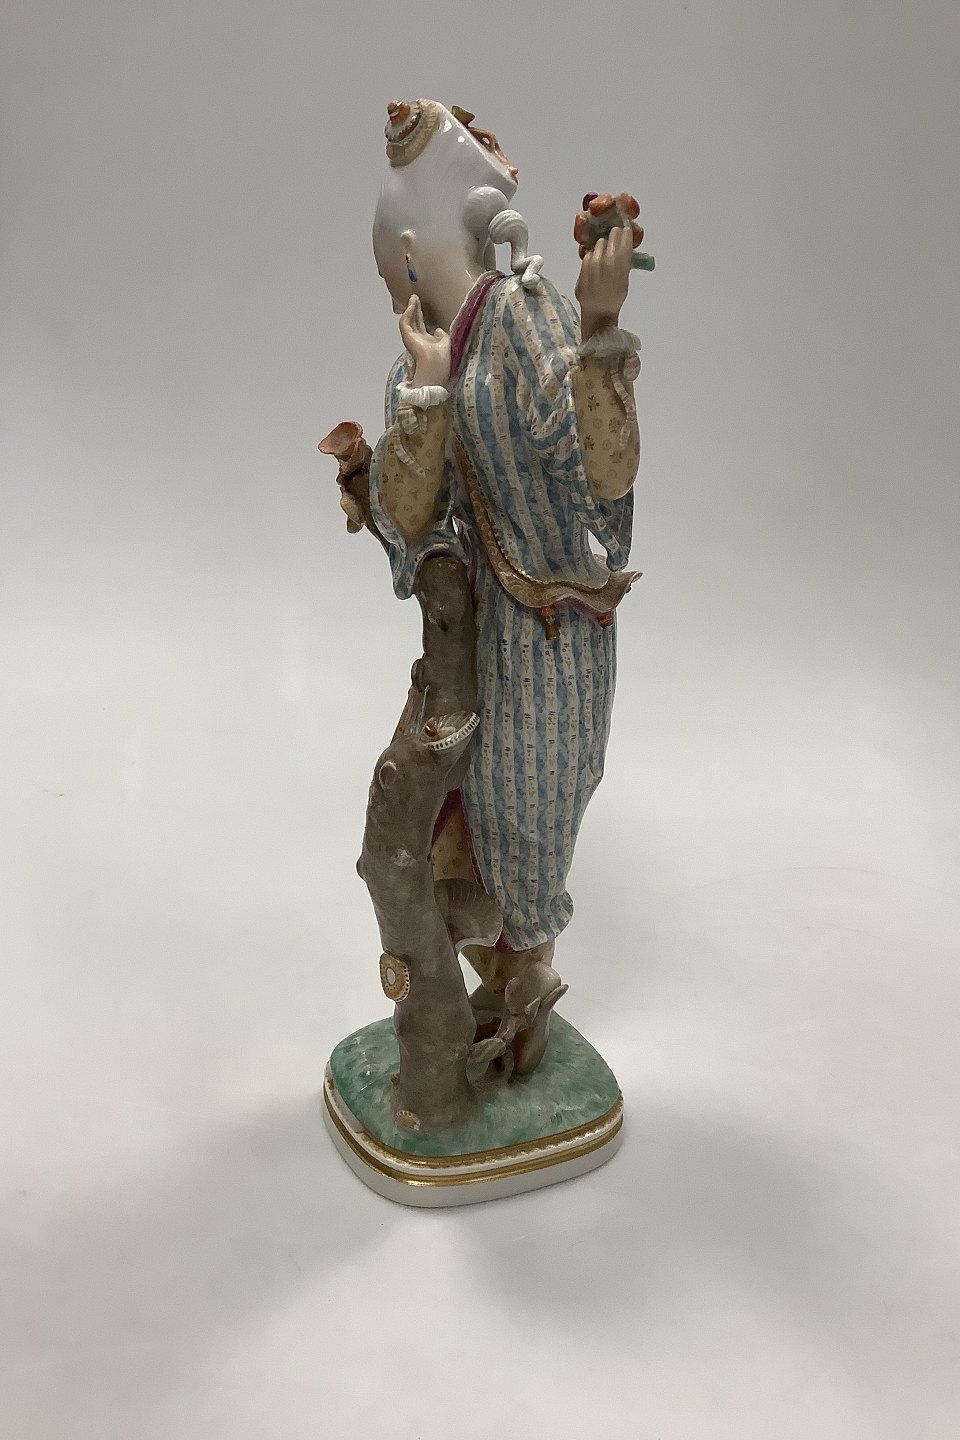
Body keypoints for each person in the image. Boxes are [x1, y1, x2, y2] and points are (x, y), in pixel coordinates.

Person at [368, 99, 642, 1007]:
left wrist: (598, 332)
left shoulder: (525, 315)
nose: (388, 279)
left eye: (389, 258)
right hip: (469, 646)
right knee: (444, 826)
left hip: (548, 637)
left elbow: (603, 472)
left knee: (526, 827)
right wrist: (429, 390)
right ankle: (466, 1009)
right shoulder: (418, 362)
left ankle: (519, 1007)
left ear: (414, 247)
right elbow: (404, 513)